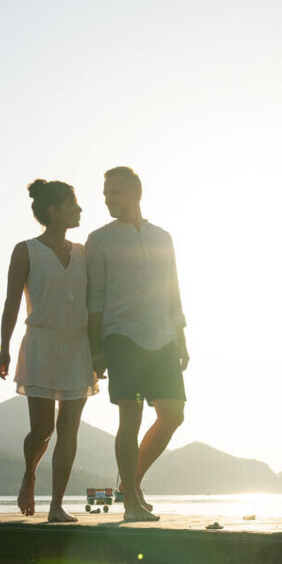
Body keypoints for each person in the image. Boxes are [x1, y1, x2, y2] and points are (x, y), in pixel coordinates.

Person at [86, 166, 188, 522]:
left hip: (163, 336)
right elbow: (95, 297)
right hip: (121, 335)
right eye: (105, 194)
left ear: (136, 193)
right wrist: (96, 347)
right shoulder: (99, 240)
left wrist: (182, 337)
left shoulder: (163, 237)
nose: (108, 199)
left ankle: (131, 484)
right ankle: (131, 504)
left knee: (173, 414)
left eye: (114, 192)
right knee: (130, 418)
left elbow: (173, 290)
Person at [0, 179, 98, 523]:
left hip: (77, 345)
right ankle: (30, 475)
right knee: (42, 430)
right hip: (40, 344)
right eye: (73, 204)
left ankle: (56, 505)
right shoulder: (26, 250)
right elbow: (12, 302)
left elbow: (97, 301)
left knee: (69, 427)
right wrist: (4, 349)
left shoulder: (85, 253)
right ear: (53, 210)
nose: (80, 210)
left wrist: (99, 351)